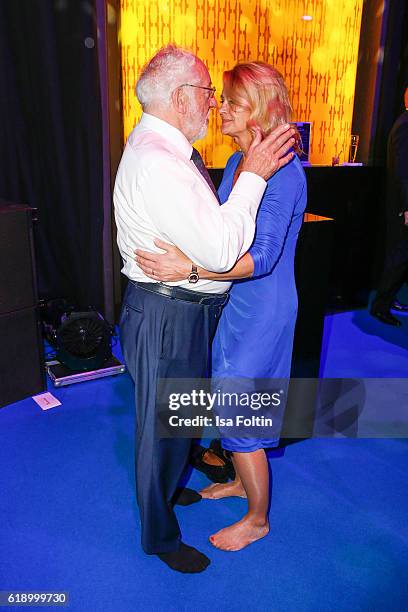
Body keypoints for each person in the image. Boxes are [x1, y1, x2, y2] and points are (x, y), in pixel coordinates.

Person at [113, 46, 295, 573]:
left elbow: (224, 245)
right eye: (210, 94)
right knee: (162, 426)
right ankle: (159, 534)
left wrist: (191, 267)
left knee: (181, 418)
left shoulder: (167, 152)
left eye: (227, 98)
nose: (214, 106)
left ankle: (168, 493)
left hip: (187, 307)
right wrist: (254, 176)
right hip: (169, 313)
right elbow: (220, 247)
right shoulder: (162, 159)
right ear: (180, 97)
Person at [371, 86, 408, 326]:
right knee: (399, 256)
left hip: (402, 205)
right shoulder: (405, 125)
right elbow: (404, 171)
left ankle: (389, 298)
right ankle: (380, 306)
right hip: (402, 207)